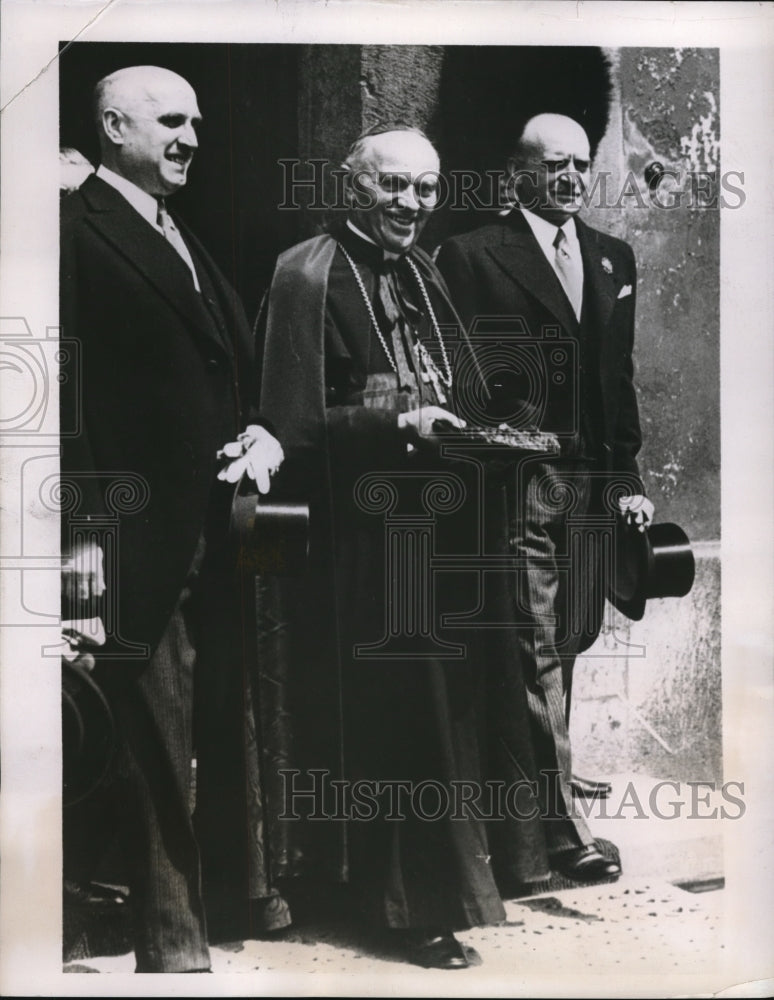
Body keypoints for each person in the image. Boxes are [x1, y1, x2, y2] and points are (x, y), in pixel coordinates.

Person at [255, 123, 551, 969]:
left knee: (451, 715)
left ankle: (456, 884)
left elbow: (447, 382)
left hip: (439, 527)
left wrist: (483, 427)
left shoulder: (424, 270)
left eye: (426, 190)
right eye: (395, 188)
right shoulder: (305, 271)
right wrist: (397, 421)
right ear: (355, 187)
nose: (412, 206)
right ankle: (403, 907)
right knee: (399, 722)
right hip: (359, 543)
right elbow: (291, 425)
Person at [59, 65, 287, 972]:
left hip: (217, 536)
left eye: (196, 121)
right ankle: (172, 947)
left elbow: (228, 367)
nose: (192, 137)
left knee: (202, 730)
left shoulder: (178, 233)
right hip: (130, 538)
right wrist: (76, 533)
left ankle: (214, 912)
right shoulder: (76, 235)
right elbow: (55, 397)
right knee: (150, 744)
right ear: (114, 125)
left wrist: (262, 433)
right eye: (170, 121)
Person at [436, 113, 654, 881]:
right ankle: (561, 836)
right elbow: (459, 378)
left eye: (581, 164)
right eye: (554, 165)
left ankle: (522, 822)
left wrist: (626, 482)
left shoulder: (609, 257)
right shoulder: (469, 255)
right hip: (519, 484)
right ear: (517, 172)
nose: (570, 178)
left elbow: (615, 382)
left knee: (568, 640)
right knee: (532, 656)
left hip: (592, 489)